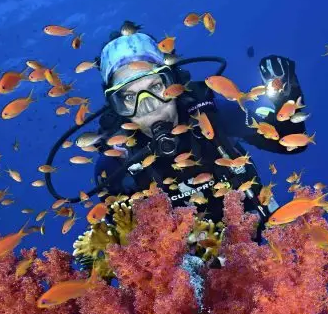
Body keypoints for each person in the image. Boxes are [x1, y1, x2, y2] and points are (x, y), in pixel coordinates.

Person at [92, 21, 310, 233]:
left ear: (174, 83)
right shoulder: (115, 164)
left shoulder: (212, 116)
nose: (149, 105)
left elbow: (291, 143)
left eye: (156, 86)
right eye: (129, 97)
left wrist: (289, 96)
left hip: (248, 245)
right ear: (115, 106)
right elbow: (121, 237)